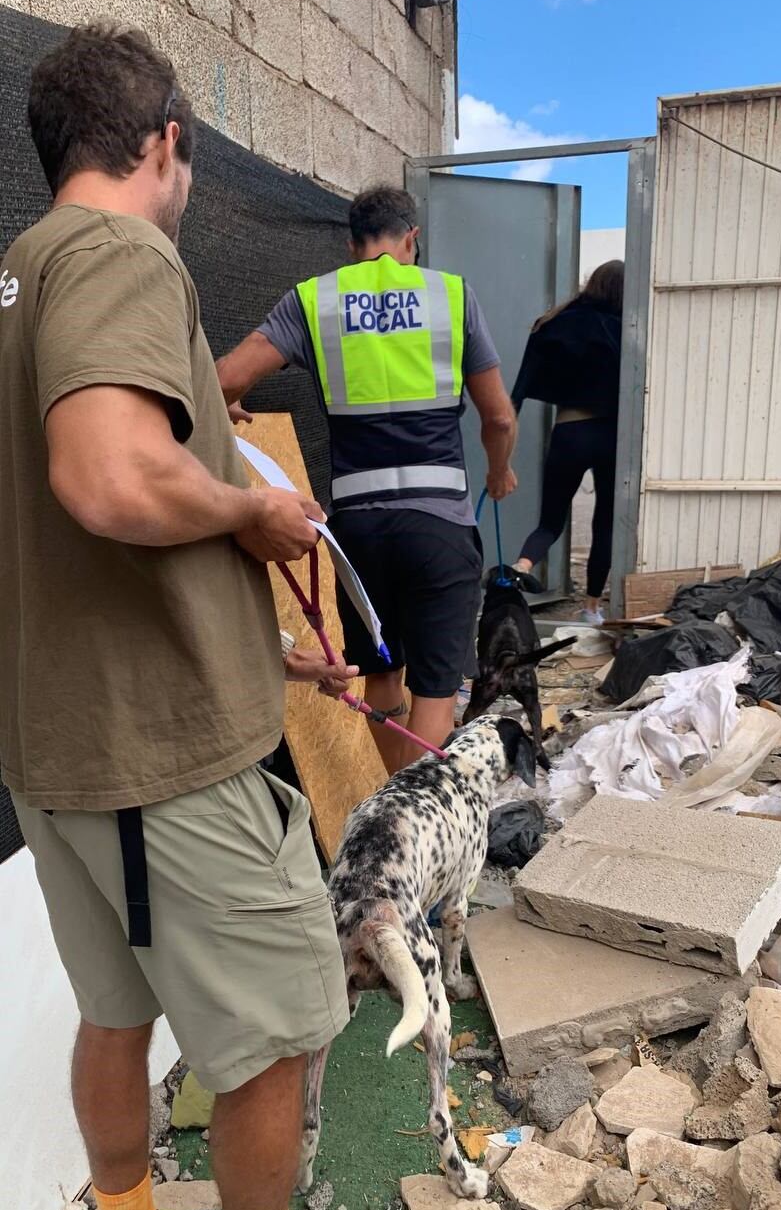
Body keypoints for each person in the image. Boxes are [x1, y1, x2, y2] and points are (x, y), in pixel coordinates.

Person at [0, 22, 355, 1210]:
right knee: (281, 1033)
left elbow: (69, 536)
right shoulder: (121, 253)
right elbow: (105, 477)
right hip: (165, 759)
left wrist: (268, 654)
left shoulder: (18, 273)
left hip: (58, 750)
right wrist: (252, 509)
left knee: (114, 1011)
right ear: (167, 143)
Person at [217, 187, 518, 775]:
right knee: (435, 684)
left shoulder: (314, 301)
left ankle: (391, 797)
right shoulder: (451, 296)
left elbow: (224, 376)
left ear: (353, 245)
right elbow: (500, 417)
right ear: (412, 238)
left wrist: (229, 401)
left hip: (357, 532)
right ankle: (416, 819)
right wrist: (501, 470)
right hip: (440, 527)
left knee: (381, 670)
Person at [509, 260, 624, 626]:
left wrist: (504, 440)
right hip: (611, 436)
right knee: (604, 523)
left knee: (550, 522)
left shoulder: (556, 322)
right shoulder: (627, 328)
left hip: (570, 432)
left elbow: (522, 386)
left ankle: (519, 567)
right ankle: (591, 608)